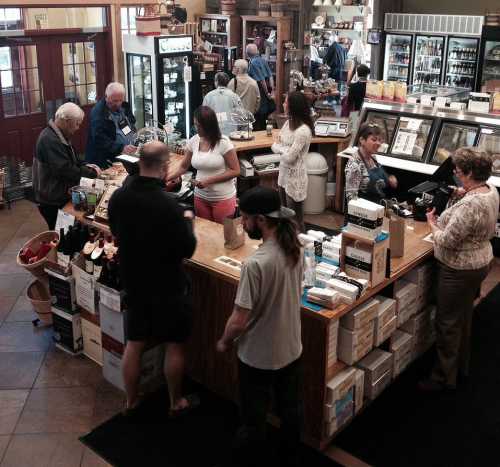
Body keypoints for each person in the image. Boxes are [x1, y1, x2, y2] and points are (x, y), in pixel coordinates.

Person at [107, 141, 198, 416]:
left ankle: (131, 401)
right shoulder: (170, 207)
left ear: (138, 161)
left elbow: (114, 230)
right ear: (165, 166)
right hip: (168, 283)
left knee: (134, 342)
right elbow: (187, 249)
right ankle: (175, 402)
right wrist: (189, 223)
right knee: (174, 343)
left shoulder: (119, 197)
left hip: (134, 279)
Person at [216, 186, 303, 467]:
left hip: (258, 356)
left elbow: (239, 319)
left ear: (261, 220)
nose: (242, 223)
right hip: (290, 348)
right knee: (290, 411)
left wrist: (224, 342)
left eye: (245, 217)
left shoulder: (255, 264)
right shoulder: (295, 247)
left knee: (253, 419)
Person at [419, 148, 499, 392]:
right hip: (480, 262)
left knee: (447, 323)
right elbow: (474, 204)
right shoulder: (490, 191)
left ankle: (443, 378)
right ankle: (460, 366)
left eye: (458, 171)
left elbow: (446, 240)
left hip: (458, 269)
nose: (455, 174)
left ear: (469, 172)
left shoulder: (470, 206)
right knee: (463, 316)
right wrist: (461, 193)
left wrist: (432, 224)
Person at [32, 102, 101, 230]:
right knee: (63, 233)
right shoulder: (50, 139)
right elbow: (66, 170)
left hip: (57, 194)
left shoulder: (60, 134)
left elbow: (73, 159)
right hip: (51, 199)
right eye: (77, 123)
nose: (78, 127)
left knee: (67, 230)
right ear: (66, 121)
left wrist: (87, 165)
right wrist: (91, 173)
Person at [167, 106, 240, 223]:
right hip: (200, 197)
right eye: (195, 125)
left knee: (221, 236)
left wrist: (209, 181)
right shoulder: (193, 141)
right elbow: (183, 166)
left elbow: (235, 170)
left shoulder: (224, 143)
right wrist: (165, 178)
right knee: (205, 233)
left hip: (222, 197)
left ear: (209, 125)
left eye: (200, 126)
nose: (197, 129)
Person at [271, 91, 313, 233]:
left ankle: (300, 247)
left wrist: (281, 149)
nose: (283, 104)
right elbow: (275, 144)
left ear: (292, 106)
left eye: (286, 102)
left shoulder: (303, 131)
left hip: (295, 178)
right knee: (284, 216)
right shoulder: (287, 123)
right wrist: (285, 149)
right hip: (283, 175)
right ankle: (287, 246)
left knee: (295, 219)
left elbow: (290, 157)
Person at [85, 82, 137, 168]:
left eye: (120, 100)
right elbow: (99, 139)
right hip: (106, 157)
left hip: (127, 153)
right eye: (115, 101)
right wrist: (121, 148)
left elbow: (131, 123)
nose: (118, 104)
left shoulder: (124, 106)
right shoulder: (98, 113)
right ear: (106, 97)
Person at [345, 123, 397, 204]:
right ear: (362, 140)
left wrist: (390, 178)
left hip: (379, 205)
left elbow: (380, 179)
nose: (378, 143)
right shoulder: (355, 164)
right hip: (365, 211)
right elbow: (351, 199)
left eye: (380, 140)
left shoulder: (373, 158)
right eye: (374, 140)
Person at [202, 72, 243, 136]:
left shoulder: (208, 96)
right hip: (231, 132)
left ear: (216, 82)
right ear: (228, 82)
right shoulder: (234, 96)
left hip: (213, 133)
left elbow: (204, 116)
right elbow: (241, 115)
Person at [246, 43, 275, 131]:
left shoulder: (253, 64)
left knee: (258, 118)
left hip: (260, 91)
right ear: (257, 51)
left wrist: (266, 93)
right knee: (263, 118)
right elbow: (270, 76)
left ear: (247, 54)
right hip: (266, 91)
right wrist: (272, 91)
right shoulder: (262, 60)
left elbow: (261, 80)